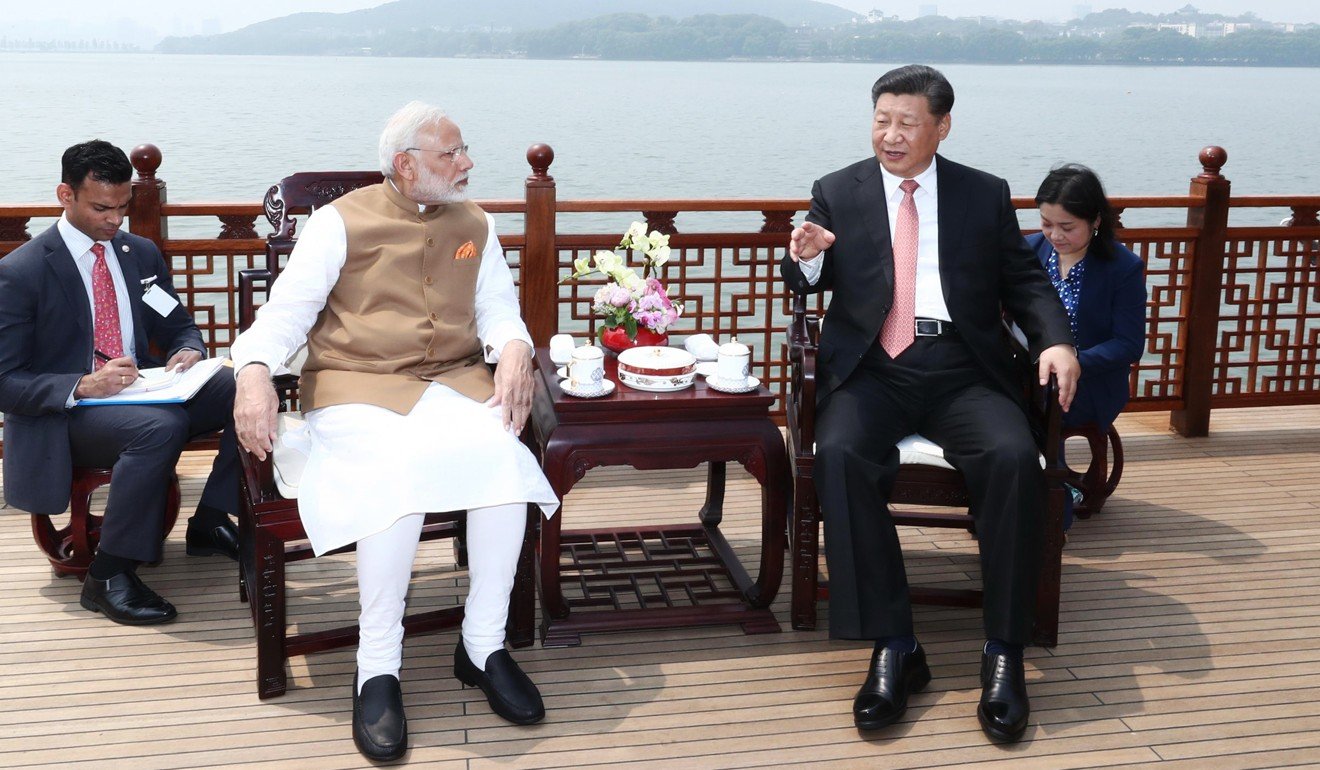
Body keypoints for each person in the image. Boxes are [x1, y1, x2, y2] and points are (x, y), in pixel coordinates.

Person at [231, 101, 559, 763]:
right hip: (356, 388)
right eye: (451, 154)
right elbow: (285, 314)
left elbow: (498, 308)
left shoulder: (476, 223)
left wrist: (515, 347)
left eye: (463, 150)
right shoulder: (338, 222)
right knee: (395, 476)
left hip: (454, 384)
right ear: (407, 165)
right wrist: (254, 370)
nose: (466, 163)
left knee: (503, 461)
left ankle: (483, 646)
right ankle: (376, 665)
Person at [781, 65, 1079, 743]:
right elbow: (804, 281)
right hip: (872, 369)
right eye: (881, 120)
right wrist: (808, 258)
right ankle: (895, 645)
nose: (890, 134)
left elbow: (1025, 281)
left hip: (963, 369)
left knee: (1013, 458)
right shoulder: (838, 190)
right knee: (842, 453)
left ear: (941, 127)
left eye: (907, 123)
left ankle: (1004, 652)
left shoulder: (982, 193)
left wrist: (1057, 341)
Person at [0, 140, 240, 625]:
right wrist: (83, 385)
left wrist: (187, 348)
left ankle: (212, 518)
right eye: (101, 208)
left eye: (123, 207)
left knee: (245, 386)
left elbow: (177, 324)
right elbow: (6, 381)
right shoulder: (22, 271)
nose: (115, 220)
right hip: (68, 414)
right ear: (65, 195)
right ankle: (108, 576)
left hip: (144, 390)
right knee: (158, 428)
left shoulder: (140, 253)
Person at [1029, 164, 1147, 529]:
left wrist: (1074, 360)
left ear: (1095, 220)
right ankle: (1024, 493)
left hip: (1091, 382)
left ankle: (1052, 505)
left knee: (1035, 409)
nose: (1055, 235)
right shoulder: (1029, 251)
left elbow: (1128, 344)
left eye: (1067, 227)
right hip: (1030, 374)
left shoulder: (1122, 267)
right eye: (1047, 224)